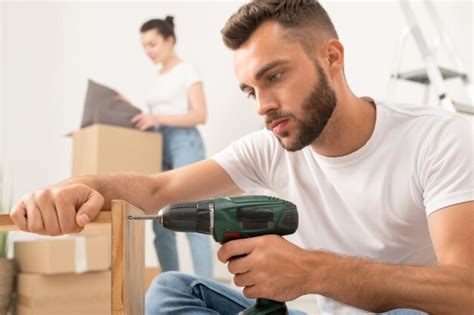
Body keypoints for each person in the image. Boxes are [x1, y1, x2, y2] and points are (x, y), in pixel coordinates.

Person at [10, 1, 473, 314]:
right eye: (250, 89)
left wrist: (311, 270)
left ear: (332, 57)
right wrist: (81, 186)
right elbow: (157, 190)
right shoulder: (271, 147)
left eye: (274, 76)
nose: (261, 105)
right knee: (171, 290)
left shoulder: (439, 140)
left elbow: (466, 289)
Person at [128, 17, 214, 278]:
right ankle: (171, 289)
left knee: (192, 219)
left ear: (170, 40)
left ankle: (206, 289)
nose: (148, 51)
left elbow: (200, 115)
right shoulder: (157, 78)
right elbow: (155, 115)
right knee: (160, 222)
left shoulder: (187, 70)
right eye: (144, 46)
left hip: (184, 142)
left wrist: (158, 118)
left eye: (152, 44)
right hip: (158, 144)